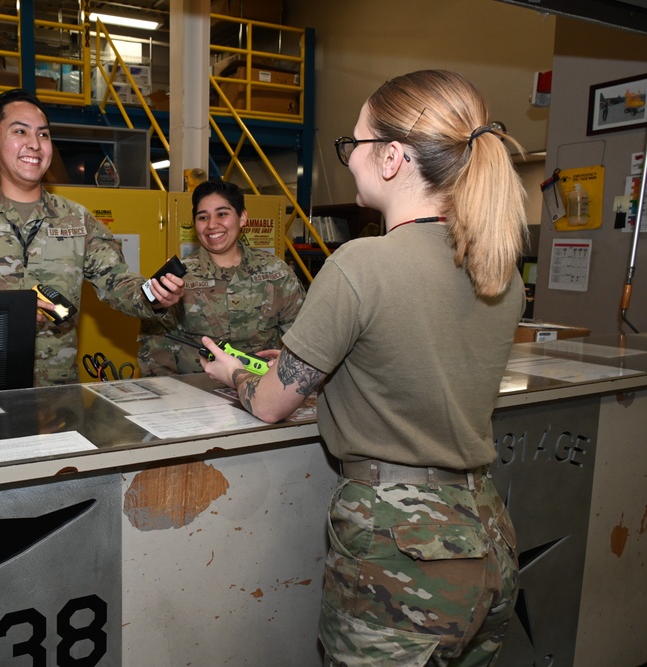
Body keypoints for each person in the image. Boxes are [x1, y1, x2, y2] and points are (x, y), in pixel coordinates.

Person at [202, 70, 527, 665]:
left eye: (353, 145)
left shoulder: (362, 263)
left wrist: (234, 376)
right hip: (487, 532)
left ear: (393, 158)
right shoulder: (499, 270)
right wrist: (323, 360)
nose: (348, 160)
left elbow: (273, 403)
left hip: (400, 551)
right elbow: (419, 363)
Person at [0, 88, 183, 385]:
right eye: (20, 132)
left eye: (44, 135)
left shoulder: (77, 219)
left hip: (56, 392)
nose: (34, 145)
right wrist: (4, 313)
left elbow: (116, 281)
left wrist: (154, 295)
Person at [136, 178, 305, 376]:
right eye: (202, 217)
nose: (212, 225)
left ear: (242, 218)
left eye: (222, 214)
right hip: (195, 392)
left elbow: (304, 341)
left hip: (260, 392)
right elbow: (155, 350)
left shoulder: (276, 272)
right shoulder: (178, 278)